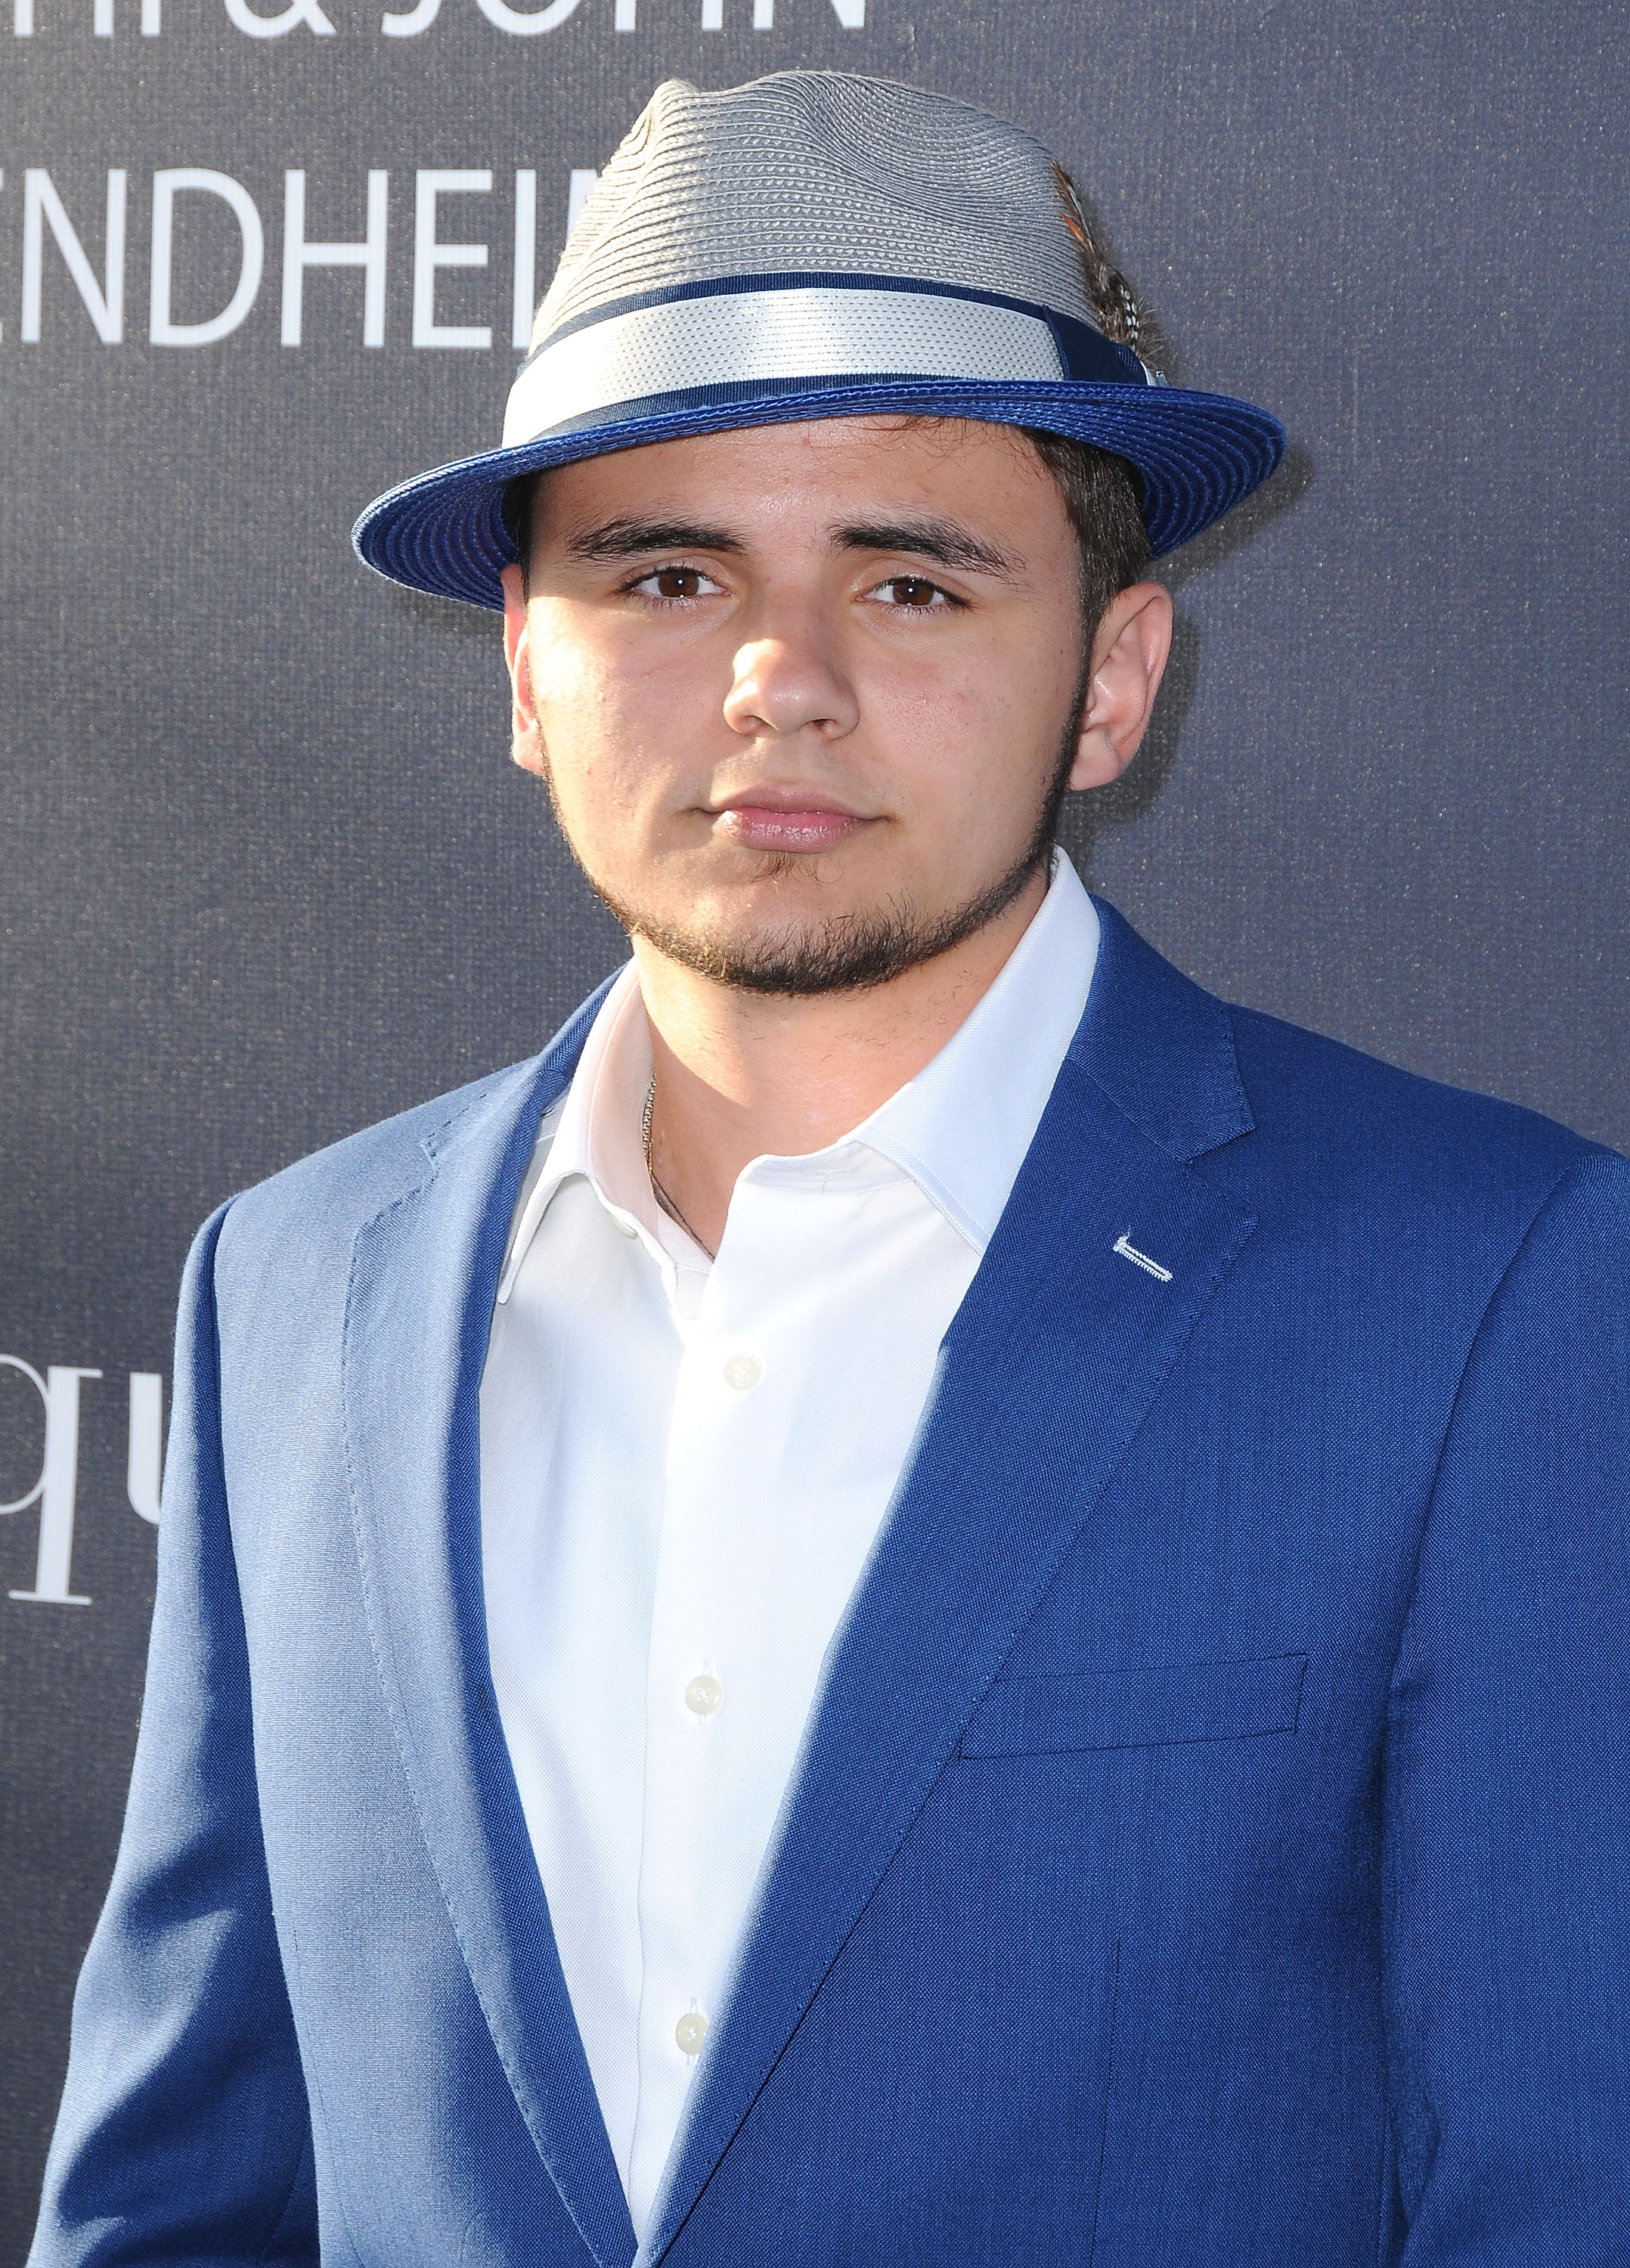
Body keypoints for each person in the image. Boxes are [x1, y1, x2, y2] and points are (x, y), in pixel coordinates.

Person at [29, 69, 1630, 2268]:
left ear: (1108, 678)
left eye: (912, 581)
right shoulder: (297, 1283)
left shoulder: (1484, 1290)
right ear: (524, 661)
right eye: (665, 572)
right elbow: (183, 2188)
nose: (779, 679)